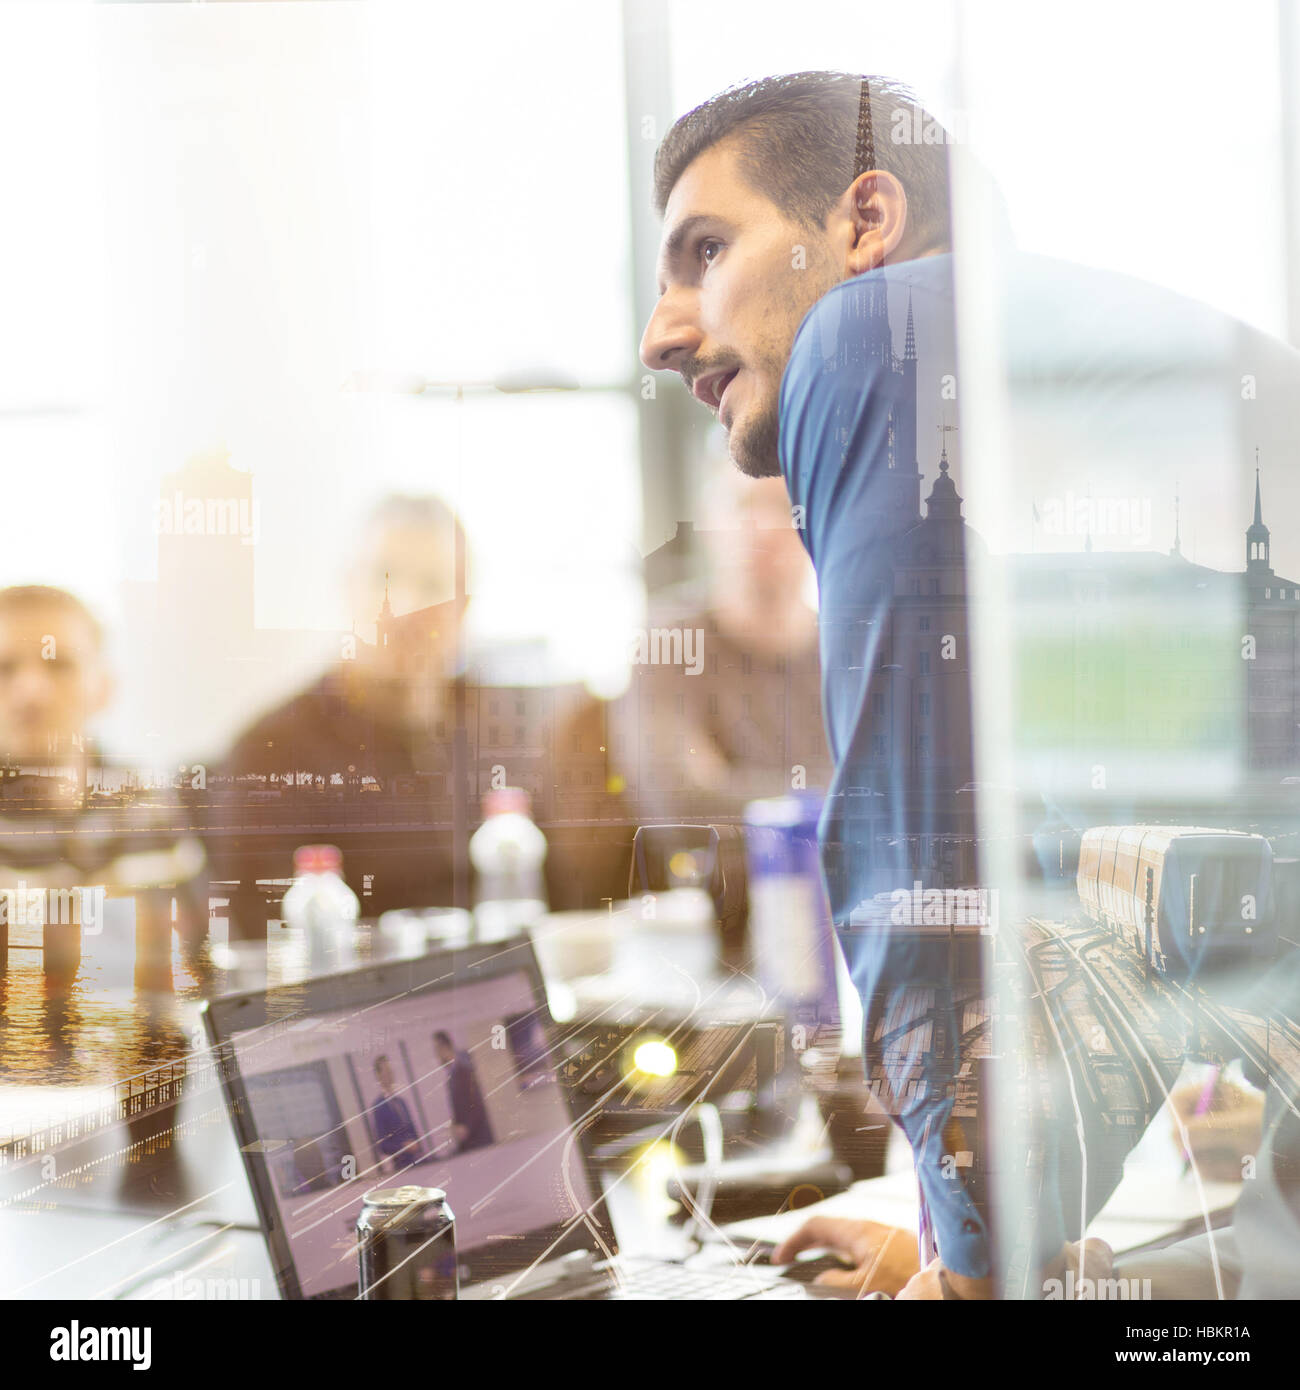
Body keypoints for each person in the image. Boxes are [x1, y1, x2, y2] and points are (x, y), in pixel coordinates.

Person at [637, 70, 1300, 1298]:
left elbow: (913, 872)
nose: (661, 332)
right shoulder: (1058, 436)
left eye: (706, 251)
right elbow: (1233, 1001)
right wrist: (1024, 1255)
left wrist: (972, 1272)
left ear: (865, 221)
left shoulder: (872, 330)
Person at [213, 495, 466, 932]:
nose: (405, 605)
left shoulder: (502, 729)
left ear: (463, 607)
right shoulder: (270, 752)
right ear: (347, 587)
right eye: (384, 578)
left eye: (432, 585)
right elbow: (261, 939)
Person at [433, 1030, 494, 1154]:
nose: (436, 1055)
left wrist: (466, 1127)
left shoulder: (464, 1070)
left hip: (479, 1140)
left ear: (444, 1048)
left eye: (436, 1050)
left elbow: (477, 1103)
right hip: (471, 1142)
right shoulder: (452, 1075)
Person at [369, 1053, 425, 1171]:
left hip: (419, 1159)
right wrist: (404, 1146)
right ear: (378, 1076)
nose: (390, 1074)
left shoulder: (402, 1102)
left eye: (391, 1071)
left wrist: (417, 1145)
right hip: (402, 1166)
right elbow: (383, 1146)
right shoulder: (379, 1107)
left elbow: (413, 1130)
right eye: (386, 1071)